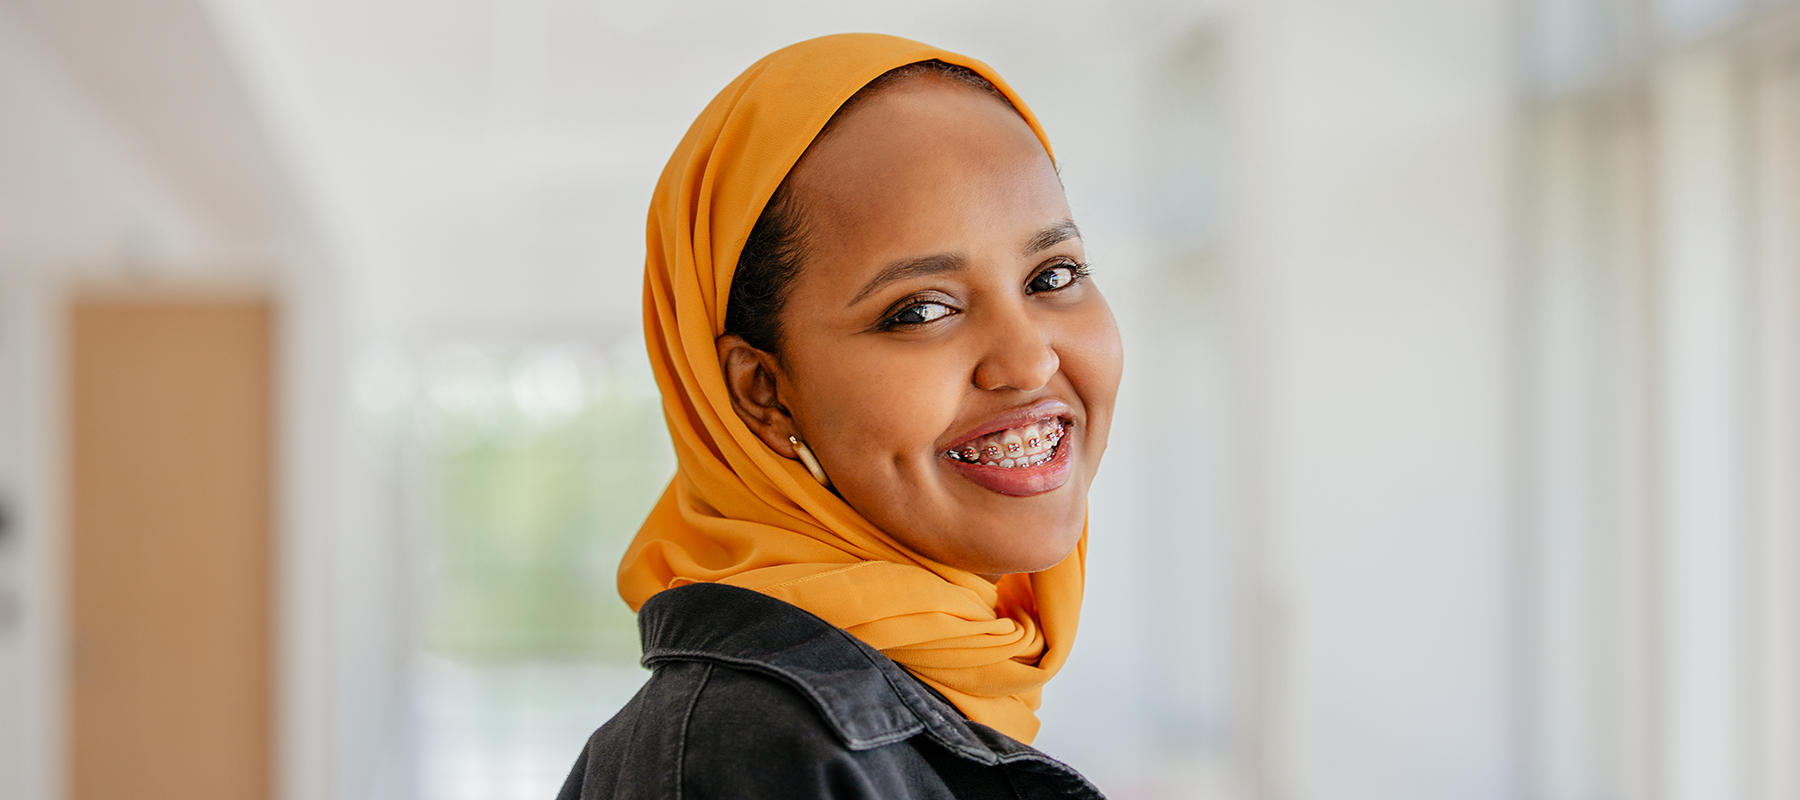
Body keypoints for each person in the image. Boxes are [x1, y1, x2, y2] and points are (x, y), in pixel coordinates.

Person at [556, 32, 1122, 798]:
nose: (1028, 362)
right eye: (921, 310)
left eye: (1053, 274)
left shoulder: (928, 694)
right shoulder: (742, 753)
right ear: (763, 388)